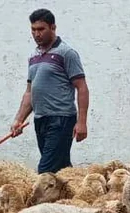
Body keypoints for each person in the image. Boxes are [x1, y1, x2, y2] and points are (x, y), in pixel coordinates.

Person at [10, 8, 89, 173]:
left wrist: (81, 122)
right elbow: (30, 92)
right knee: (60, 169)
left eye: (41, 29)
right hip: (41, 120)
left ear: (53, 28)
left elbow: (81, 87)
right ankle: (73, 194)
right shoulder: (33, 56)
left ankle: (41, 200)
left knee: (46, 171)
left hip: (61, 119)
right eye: (33, 29)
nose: (37, 34)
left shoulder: (66, 53)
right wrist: (19, 119)